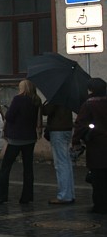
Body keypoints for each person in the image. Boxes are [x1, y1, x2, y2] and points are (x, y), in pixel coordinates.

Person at [0, 79, 41, 204]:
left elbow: (9, 116)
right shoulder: (36, 100)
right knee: (28, 168)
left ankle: (2, 195)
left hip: (16, 138)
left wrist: (8, 110)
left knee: (6, 167)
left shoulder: (18, 99)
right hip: (30, 137)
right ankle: (27, 196)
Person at [73, 77, 107, 214]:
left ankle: (100, 205)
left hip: (97, 145)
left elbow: (80, 124)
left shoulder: (89, 104)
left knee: (98, 178)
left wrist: (76, 141)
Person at [42, 102, 75, 205]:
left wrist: (44, 104)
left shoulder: (56, 96)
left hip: (58, 130)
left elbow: (46, 111)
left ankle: (64, 195)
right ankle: (69, 193)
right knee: (66, 162)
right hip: (66, 129)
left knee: (61, 164)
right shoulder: (67, 96)